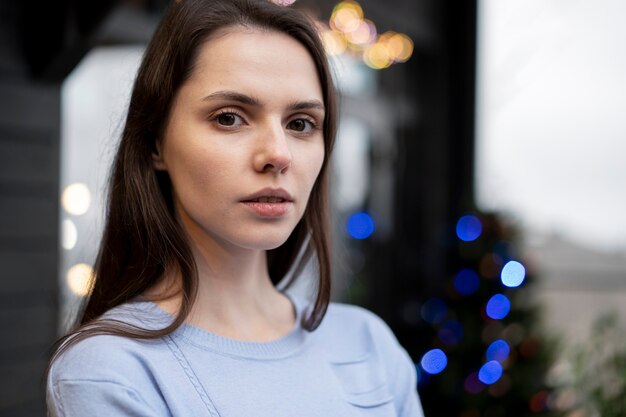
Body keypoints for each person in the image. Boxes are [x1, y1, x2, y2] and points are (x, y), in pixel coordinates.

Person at [46, 0, 425, 416]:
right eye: (230, 118)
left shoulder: (368, 345)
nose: (278, 155)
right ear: (155, 142)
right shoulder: (113, 370)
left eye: (300, 123)